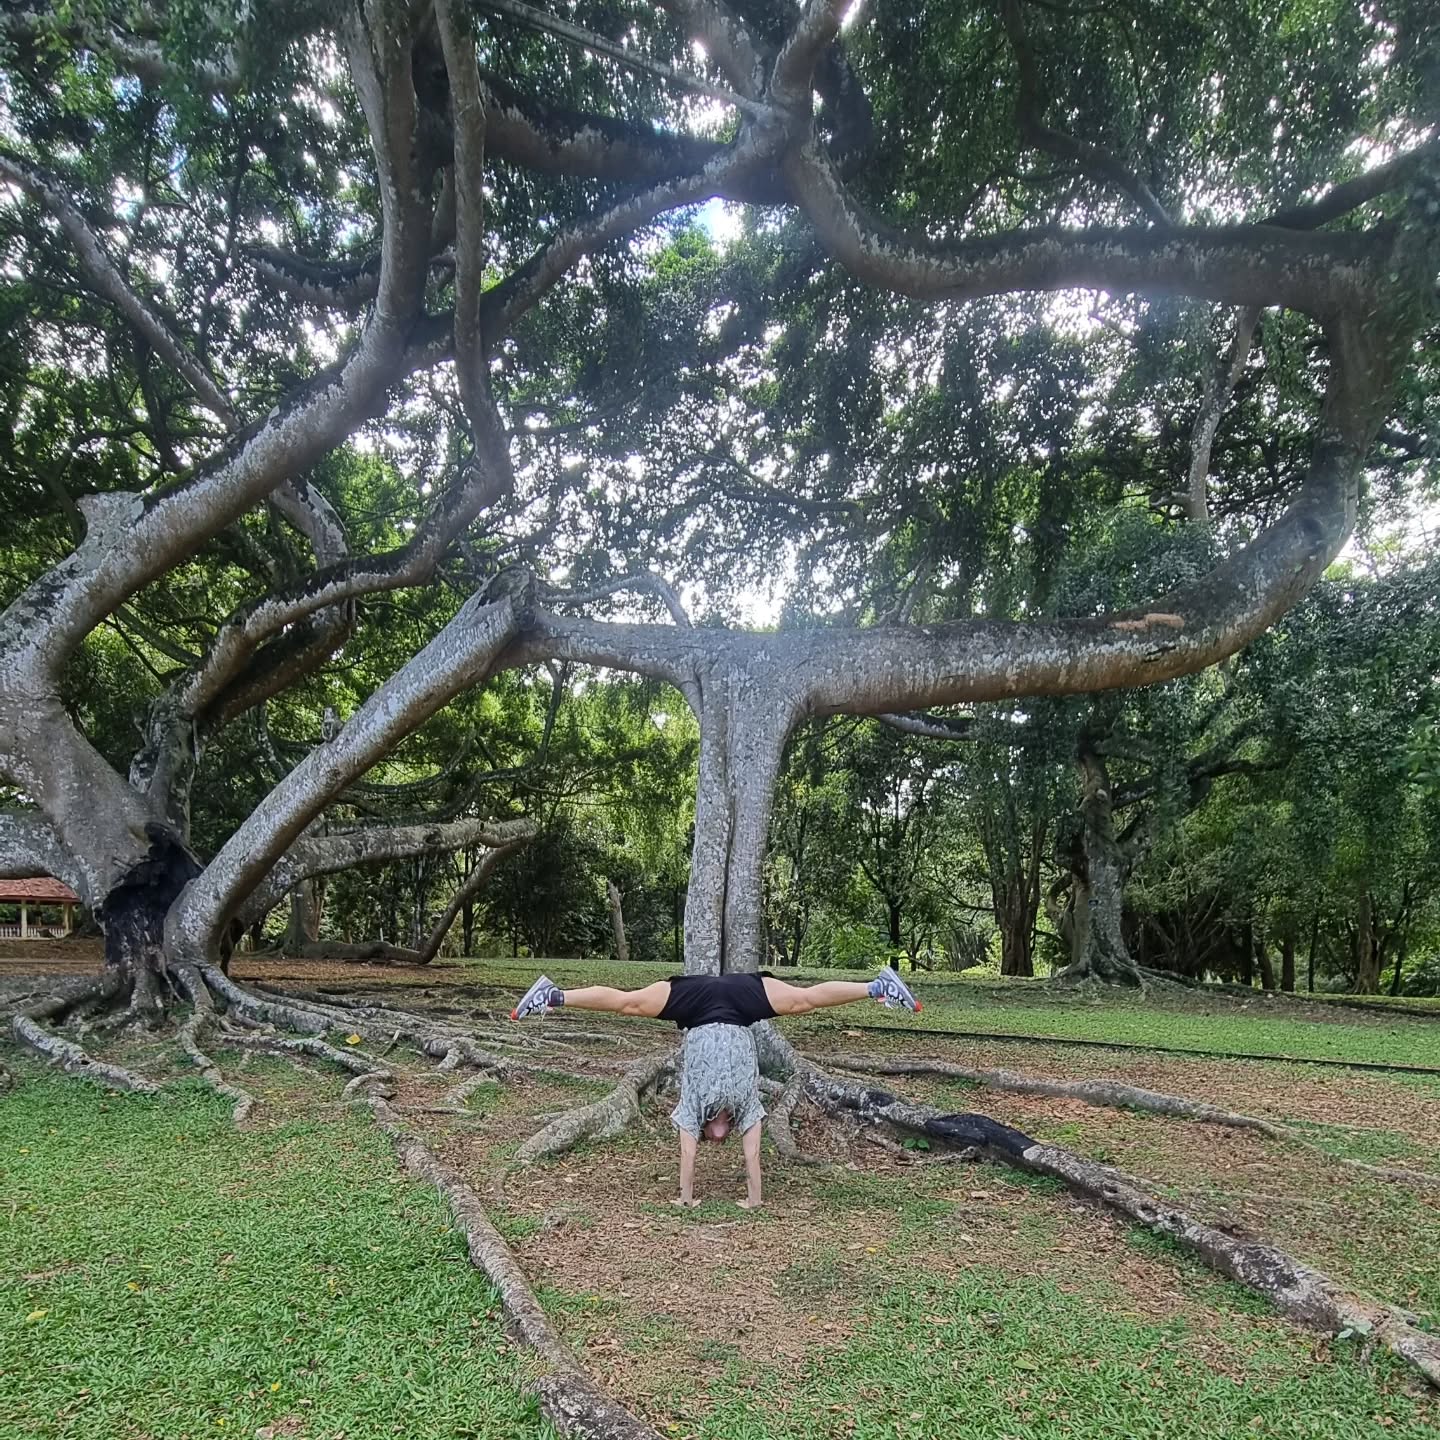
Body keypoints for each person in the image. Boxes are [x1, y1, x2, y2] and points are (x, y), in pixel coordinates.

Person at [511, 966, 921, 1209]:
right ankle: (877, 986)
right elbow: (754, 1149)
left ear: (707, 1129)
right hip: (742, 1002)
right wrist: (754, 1199)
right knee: (800, 1001)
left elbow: (687, 1152)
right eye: (721, 1136)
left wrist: (686, 1198)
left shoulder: (692, 1108)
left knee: (630, 1003)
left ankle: (554, 995)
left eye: (713, 1136)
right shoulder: (745, 1107)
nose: (719, 1137)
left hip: (693, 1001)